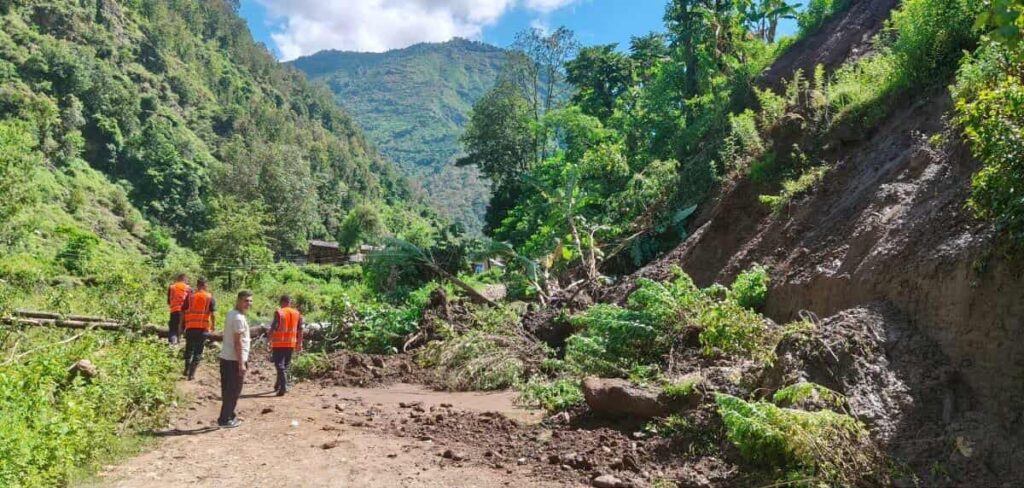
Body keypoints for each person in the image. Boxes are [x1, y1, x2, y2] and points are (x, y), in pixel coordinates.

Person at [218, 290, 252, 429]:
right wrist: (241, 363)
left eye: (250, 301)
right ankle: (224, 419)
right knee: (233, 391)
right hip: (234, 359)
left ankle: (229, 415)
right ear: (238, 300)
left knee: (227, 390)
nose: (248, 304)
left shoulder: (231, 314)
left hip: (226, 357)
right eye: (246, 300)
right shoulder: (238, 318)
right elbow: (238, 342)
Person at [181, 277, 216, 380]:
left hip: (190, 327)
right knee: (198, 351)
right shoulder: (209, 297)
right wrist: (213, 326)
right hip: (202, 328)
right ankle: (191, 374)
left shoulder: (190, 296)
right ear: (204, 285)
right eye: (206, 285)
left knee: (189, 349)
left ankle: (186, 370)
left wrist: (181, 326)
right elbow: (213, 314)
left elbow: (183, 311)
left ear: (197, 285)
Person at [269, 295, 303, 397]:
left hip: (279, 343)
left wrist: (269, 339)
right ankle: (278, 385)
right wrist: (300, 343)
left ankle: (283, 387)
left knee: (279, 365)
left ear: (282, 302)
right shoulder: (297, 313)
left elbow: (273, 327)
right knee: (285, 366)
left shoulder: (279, 312)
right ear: (290, 302)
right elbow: (300, 330)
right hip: (291, 343)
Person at [166, 274, 191, 345]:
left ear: (178, 279)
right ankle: (179, 340)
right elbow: (191, 301)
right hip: (185, 312)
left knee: (173, 329)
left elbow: (168, 301)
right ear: (185, 280)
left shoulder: (172, 287)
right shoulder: (188, 288)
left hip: (174, 310)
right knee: (182, 327)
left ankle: (173, 343)